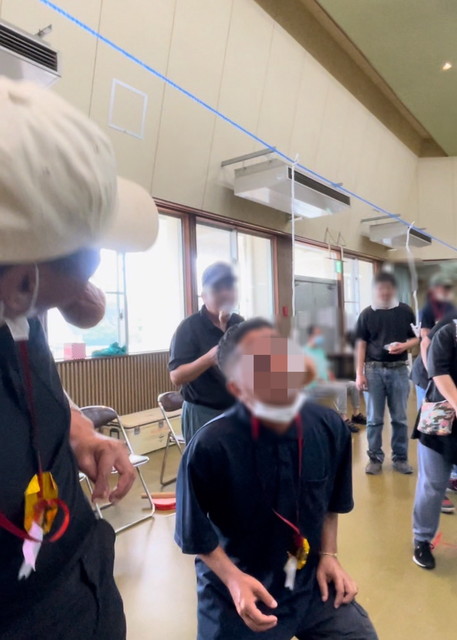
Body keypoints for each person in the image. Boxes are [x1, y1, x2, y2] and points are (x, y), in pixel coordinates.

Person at [0, 78, 158, 638]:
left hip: (82, 581)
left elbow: (39, 390)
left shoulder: (19, 315)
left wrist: (77, 432)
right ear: (21, 281)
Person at [175, 318, 378, 640]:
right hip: (237, 584)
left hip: (308, 579)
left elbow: (330, 503)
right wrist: (233, 580)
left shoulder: (328, 427)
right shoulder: (210, 446)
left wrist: (329, 555)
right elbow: (196, 535)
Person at [169, 262, 243, 442]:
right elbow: (176, 377)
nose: (225, 293)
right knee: (205, 460)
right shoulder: (189, 327)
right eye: (217, 289)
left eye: (229, 288)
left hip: (237, 409)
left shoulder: (240, 323)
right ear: (204, 295)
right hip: (203, 413)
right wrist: (209, 358)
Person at [355, 272, 419, 475]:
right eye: (380, 288)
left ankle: (400, 458)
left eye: (388, 288)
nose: (384, 292)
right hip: (373, 369)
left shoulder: (405, 310)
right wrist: (359, 373)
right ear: (375, 290)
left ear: (394, 289)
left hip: (399, 369)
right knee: (374, 419)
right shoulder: (367, 313)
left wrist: (404, 346)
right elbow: (361, 344)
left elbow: (417, 337)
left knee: (399, 418)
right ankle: (375, 458)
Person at [412, 319, 457, 570]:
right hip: (440, 422)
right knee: (432, 485)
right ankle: (422, 540)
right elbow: (439, 373)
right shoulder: (448, 333)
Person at [411, 276, 457, 514]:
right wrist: (434, 377)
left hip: (447, 373)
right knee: (435, 432)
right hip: (429, 375)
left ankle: (451, 477)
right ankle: (435, 491)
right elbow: (425, 343)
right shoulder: (445, 316)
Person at [304, 325, 365, 433]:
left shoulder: (319, 352)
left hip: (326, 382)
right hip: (314, 385)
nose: (320, 337)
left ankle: (356, 415)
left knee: (353, 385)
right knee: (341, 388)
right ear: (311, 336)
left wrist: (332, 378)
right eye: (317, 334)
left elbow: (326, 370)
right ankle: (343, 419)